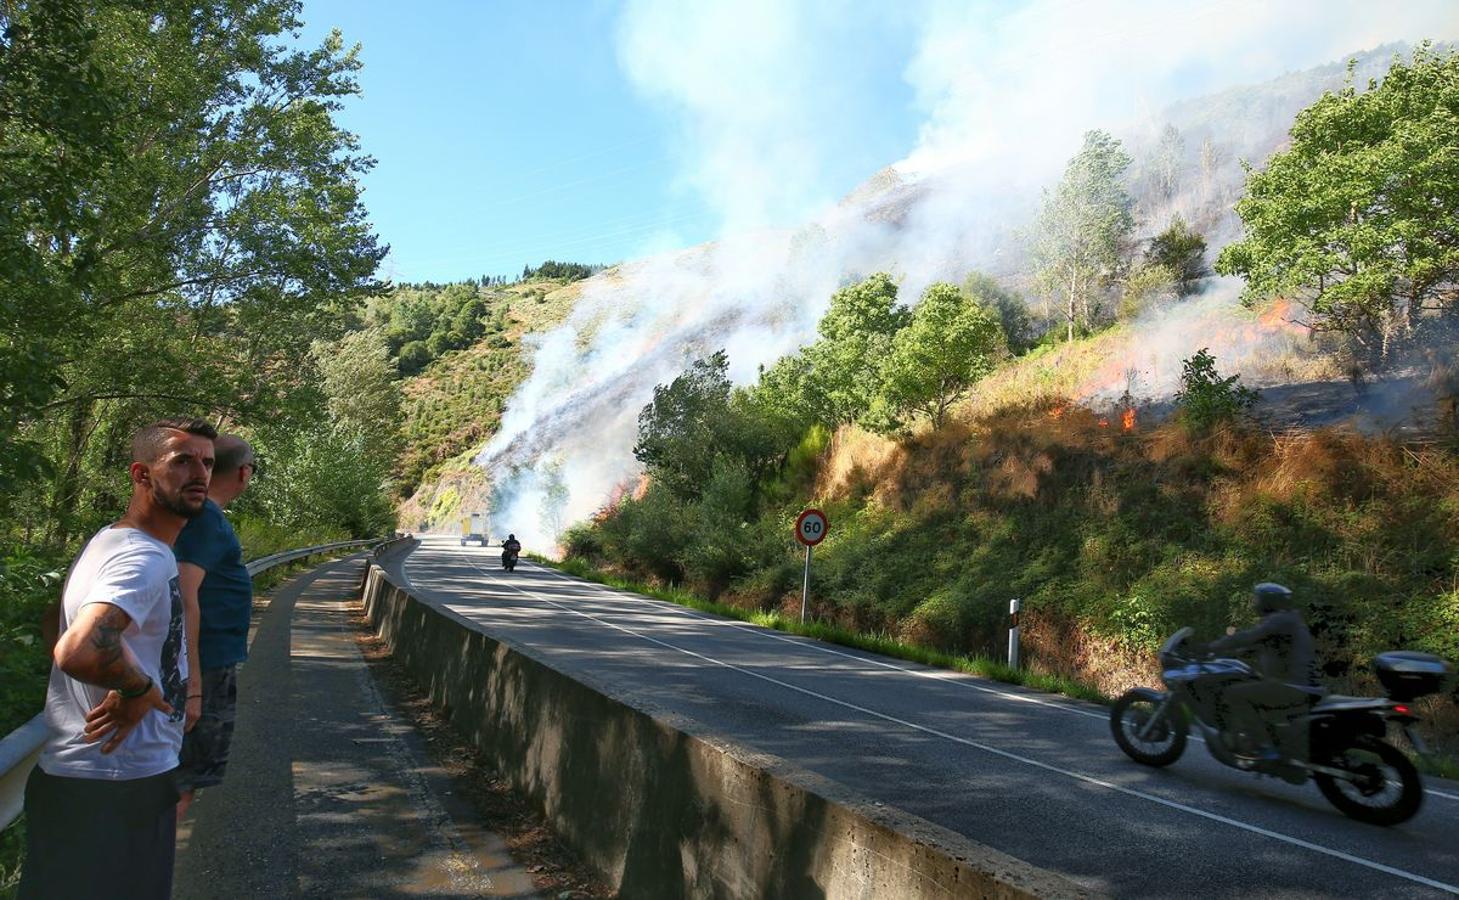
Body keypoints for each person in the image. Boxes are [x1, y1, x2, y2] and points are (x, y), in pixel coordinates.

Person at [21, 418, 216, 900]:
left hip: (87, 780)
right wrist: (139, 689)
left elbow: (54, 623)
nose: (200, 473)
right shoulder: (143, 558)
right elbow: (79, 647)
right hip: (114, 786)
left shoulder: (109, 540)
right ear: (142, 475)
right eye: (182, 461)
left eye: (207, 463)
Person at [172, 434, 255, 820]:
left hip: (203, 663)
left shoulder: (202, 516)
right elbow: (186, 595)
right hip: (203, 666)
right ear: (243, 473)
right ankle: (149, 876)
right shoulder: (206, 519)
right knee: (182, 786)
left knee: (182, 782)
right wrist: (193, 687)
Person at [1207, 582, 1320, 766]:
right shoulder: (1289, 620)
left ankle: (1264, 746)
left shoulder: (1280, 620)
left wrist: (1210, 647)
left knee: (1234, 694)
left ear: (1269, 601)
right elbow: (1261, 645)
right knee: (1252, 685)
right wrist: (1237, 652)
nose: (1255, 603)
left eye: (1258, 599)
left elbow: (1249, 636)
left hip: (1291, 686)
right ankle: (1258, 737)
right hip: (1300, 685)